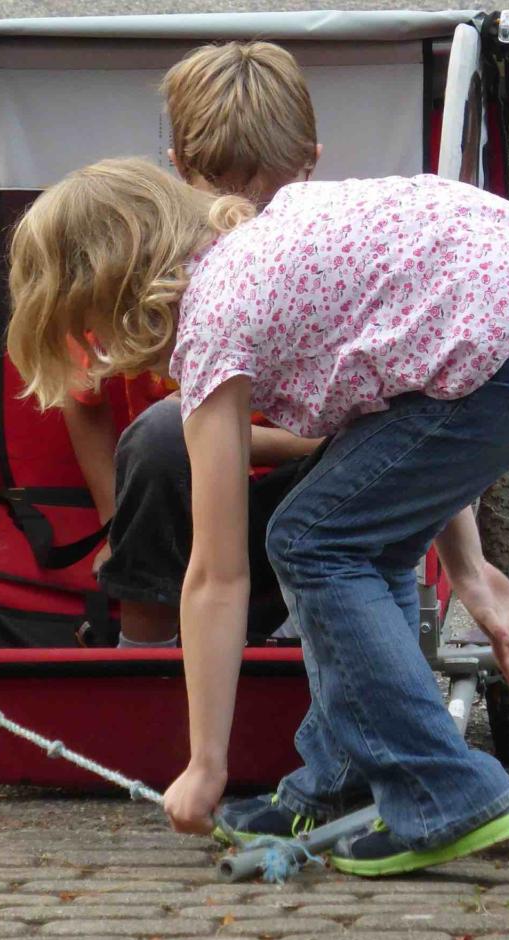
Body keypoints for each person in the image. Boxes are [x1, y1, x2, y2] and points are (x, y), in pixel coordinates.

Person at [7, 158, 509, 875]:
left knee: (310, 541)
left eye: (88, 330)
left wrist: (205, 764)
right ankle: (339, 780)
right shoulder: (258, 254)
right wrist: (465, 566)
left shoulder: (216, 320)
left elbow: (216, 577)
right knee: (353, 540)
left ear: (108, 293)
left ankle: (444, 789)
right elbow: (404, 415)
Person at [61, 42, 323, 646]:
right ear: (178, 168)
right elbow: (83, 397)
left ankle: (303, 624)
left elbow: (353, 437)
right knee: (161, 437)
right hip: (175, 506)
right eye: (221, 192)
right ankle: (144, 652)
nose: (248, 214)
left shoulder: (321, 266)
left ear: (311, 164)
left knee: (174, 428)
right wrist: (112, 523)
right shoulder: (150, 260)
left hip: (297, 496)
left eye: (269, 196)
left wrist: (229, 438)